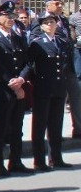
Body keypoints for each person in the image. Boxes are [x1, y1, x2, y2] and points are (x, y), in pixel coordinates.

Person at [0, 0, 29, 176]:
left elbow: (27, 62)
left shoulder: (18, 38)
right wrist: (14, 85)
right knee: (1, 127)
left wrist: (22, 79)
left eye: (12, 15)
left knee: (17, 126)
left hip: (19, 87)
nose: (11, 19)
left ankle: (15, 160)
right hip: (3, 89)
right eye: (7, 16)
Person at [21, 13, 72, 171]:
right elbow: (29, 65)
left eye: (52, 22)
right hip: (43, 88)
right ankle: (39, 160)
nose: (50, 24)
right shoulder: (37, 43)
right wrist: (30, 80)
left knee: (56, 125)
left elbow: (65, 64)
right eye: (46, 22)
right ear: (42, 26)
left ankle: (56, 158)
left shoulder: (62, 42)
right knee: (40, 125)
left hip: (58, 88)